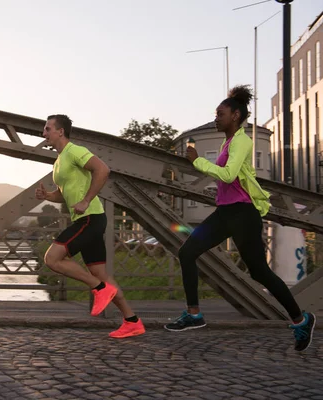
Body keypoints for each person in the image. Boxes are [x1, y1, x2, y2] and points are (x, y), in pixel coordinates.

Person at [164, 85, 316, 352]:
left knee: (259, 272)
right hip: (225, 213)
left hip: (243, 214)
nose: (216, 118)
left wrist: (198, 161)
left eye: (220, 113)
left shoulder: (243, 141)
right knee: (187, 252)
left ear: (235, 115)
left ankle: (301, 319)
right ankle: (194, 314)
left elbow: (228, 175)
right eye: (216, 114)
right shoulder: (227, 142)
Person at [36, 114, 145, 338]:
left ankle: (99, 289)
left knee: (52, 259)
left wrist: (86, 200)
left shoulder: (74, 151)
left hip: (91, 218)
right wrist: (48, 195)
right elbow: (65, 195)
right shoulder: (58, 162)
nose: (44, 133)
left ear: (60, 132)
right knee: (103, 275)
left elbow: (103, 170)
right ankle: (132, 321)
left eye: (47, 129)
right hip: (86, 219)